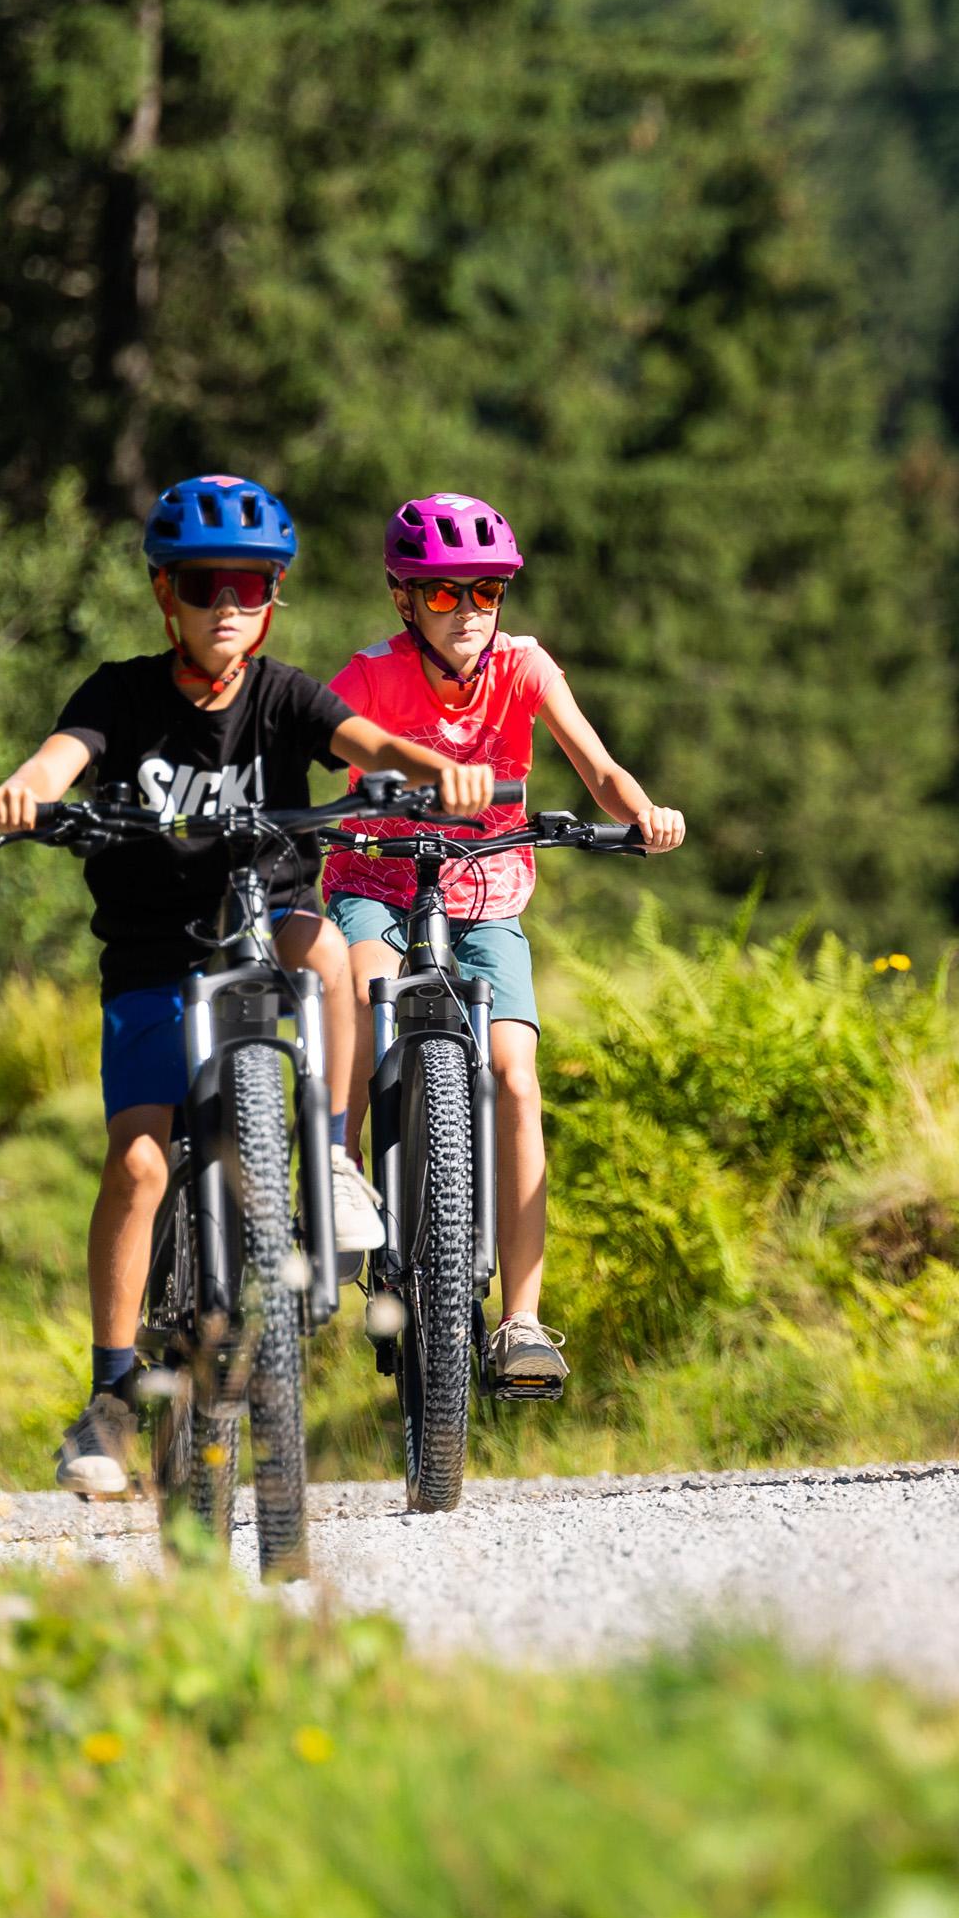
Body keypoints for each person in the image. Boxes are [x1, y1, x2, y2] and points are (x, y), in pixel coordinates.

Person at [0, 473, 497, 1498]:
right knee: (138, 1163)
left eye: (251, 585)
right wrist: (25, 795)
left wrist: (435, 770)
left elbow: (368, 744)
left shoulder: (283, 694)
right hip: (154, 962)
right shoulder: (120, 694)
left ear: (273, 598)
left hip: (266, 935)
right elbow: (57, 758)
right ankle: (111, 1396)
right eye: (204, 583)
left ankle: (334, 1160)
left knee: (330, 950)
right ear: (164, 593)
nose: (228, 604)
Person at [320, 492, 687, 1397]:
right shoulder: (370, 676)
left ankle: (521, 1320)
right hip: (375, 882)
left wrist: (643, 812)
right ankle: (339, 1179)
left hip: (486, 895)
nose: (470, 612)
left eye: (486, 591)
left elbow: (598, 766)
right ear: (405, 599)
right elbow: (303, 745)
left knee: (517, 1077)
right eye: (446, 595)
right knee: (365, 1004)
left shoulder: (524, 667)